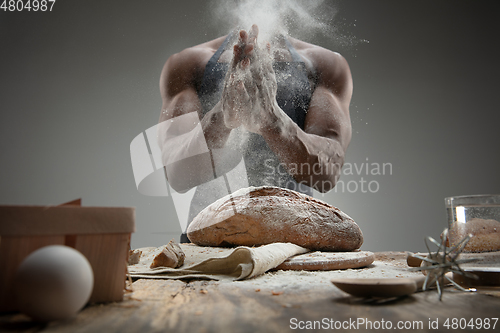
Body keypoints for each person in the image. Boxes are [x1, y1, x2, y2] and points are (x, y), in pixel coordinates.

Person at [157, 25, 353, 242]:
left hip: (293, 244)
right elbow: (177, 175)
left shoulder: (325, 64)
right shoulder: (189, 64)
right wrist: (222, 117)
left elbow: (328, 173)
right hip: (206, 244)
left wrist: (273, 121)